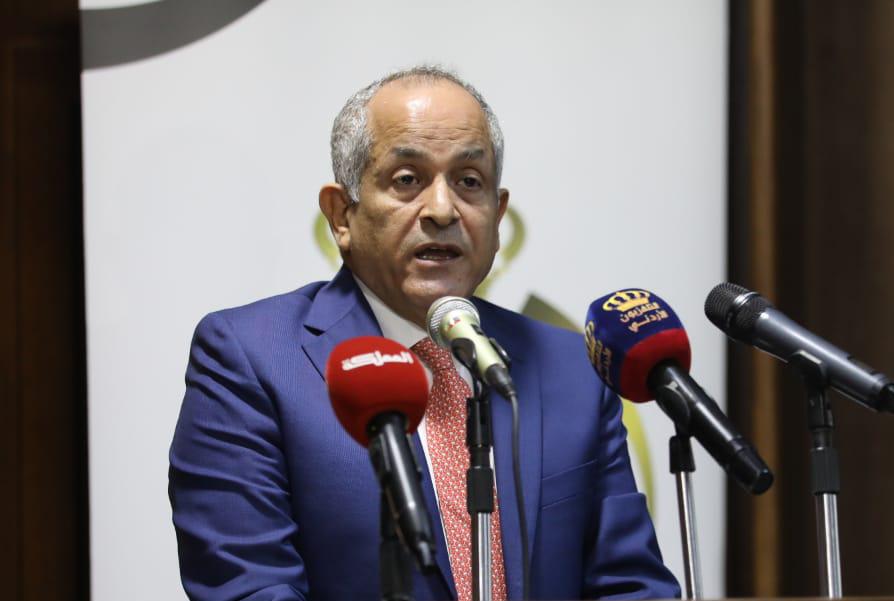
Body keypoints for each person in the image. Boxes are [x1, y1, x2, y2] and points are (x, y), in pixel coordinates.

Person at [169, 65, 680, 601]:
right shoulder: (251, 358)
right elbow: (251, 587)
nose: (442, 210)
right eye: (407, 180)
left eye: (469, 182)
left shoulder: (571, 368)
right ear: (341, 215)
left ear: (497, 216)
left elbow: (631, 586)